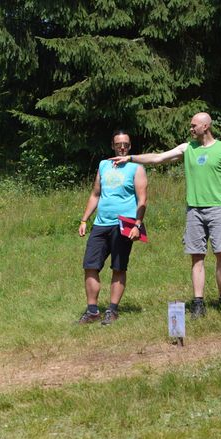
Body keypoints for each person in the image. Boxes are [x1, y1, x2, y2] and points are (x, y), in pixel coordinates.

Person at [110, 112, 221, 318]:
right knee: (196, 256)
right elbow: (158, 158)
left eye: (194, 125)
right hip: (194, 210)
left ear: (205, 126)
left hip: (218, 209)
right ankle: (198, 302)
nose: (191, 129)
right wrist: (131, 158)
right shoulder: (187, 148)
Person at [77, 131, 147, 325]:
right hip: (101, 224)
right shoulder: (103, 165)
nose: (122, 147)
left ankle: (112, 310)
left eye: (125, 144)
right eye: (118, 144)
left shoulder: (136, 167)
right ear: (113, 146)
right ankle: (92, 311)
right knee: (90, 266)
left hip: (125, 223)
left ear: (130, 146)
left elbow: (142, 199)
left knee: (118, 267)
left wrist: (137, 225)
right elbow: (95, 194)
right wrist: (84, 220)